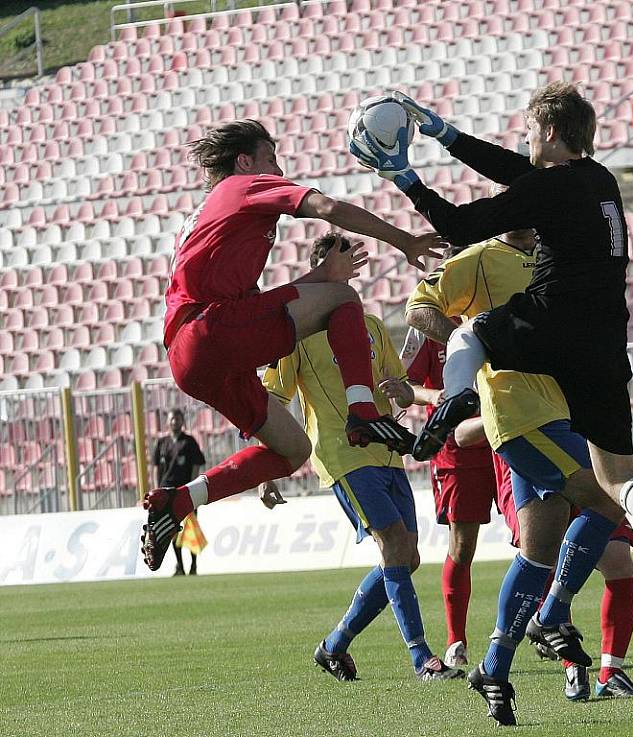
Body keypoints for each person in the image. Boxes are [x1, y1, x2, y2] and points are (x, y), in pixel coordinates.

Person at [351, 86, 633, 656]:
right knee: (618, 474)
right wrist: (442, 132)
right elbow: (514, 170)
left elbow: (460, 224)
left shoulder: (548, 189)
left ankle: (454, 400)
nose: (523, 140)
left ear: (546, 133)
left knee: (470, 332)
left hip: (552, 322)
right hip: (605, 341)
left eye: (527, 130)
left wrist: (404, 175)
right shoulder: (600, 181)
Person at [141, 119, 442, 572]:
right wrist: (404, 240)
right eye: (270, 158)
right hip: (208, 330)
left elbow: (256, 310)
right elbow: (327, 207)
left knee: (291, 450)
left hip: (194, 356)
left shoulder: (210, 218)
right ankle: (362, 414)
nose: (277, 168)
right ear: (245, 162)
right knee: (344, 299)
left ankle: (178, 500)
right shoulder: (244, 187)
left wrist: (319, 280)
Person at [395, 216, 633, 722]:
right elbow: (418, 309)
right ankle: (548, 617)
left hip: (560, 411)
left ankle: (494, 667)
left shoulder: (559, 255)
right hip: (520, 415)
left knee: (537, 551)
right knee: (609, 498)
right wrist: (476, 343)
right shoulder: (480, 259)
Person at [261, 232, 463, 682]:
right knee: (392, 542)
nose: (352, 268)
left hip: (386, 449)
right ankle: (421, 658)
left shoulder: (368, 325)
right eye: (343, 260)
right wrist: (267, 465)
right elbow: (274, 396)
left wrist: (403, 392)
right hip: (340, 451)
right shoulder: (294, 334)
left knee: (406, 557)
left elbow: (396, 383)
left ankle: (334, 645)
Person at [381, 321, 496, 668]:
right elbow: (404, 386)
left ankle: (547, 623)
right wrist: (433, 396)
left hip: (510, 432)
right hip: (455, 448)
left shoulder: (490, 303)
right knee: (462, 546)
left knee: (535, 531)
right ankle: (455, 639)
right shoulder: (427, 320)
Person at [150, 408, 207, 575]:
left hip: (185, 491)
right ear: (168, 422)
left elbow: (196, 465)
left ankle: (194, 566)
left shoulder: (189, 442)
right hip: (167, 493)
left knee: (191, 529)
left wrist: (192, 488)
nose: (175, 422)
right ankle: (180, 566)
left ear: (183, 422)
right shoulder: (161, 443)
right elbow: (156, 468)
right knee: (172, 531)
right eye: (172, 419)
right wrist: (156, 489)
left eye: (178, 419)